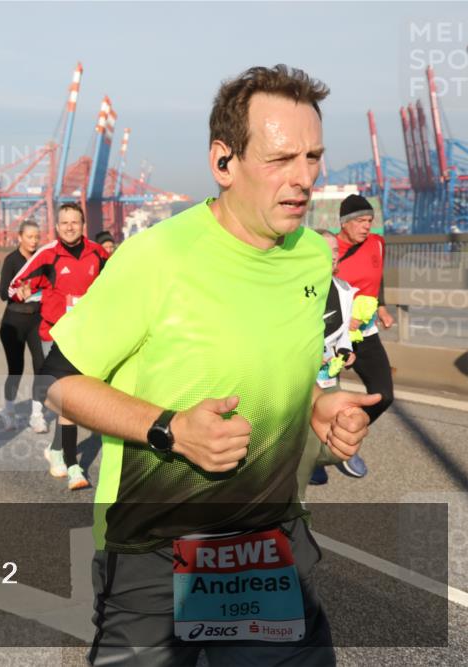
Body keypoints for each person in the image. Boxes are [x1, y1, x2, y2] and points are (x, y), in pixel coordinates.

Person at [41, 65, 379, 665]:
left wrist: (319, 405)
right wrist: (170, 427)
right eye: (280, 160)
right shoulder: (156, 258)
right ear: (224, 162)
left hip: (263, 548)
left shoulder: (310, 257)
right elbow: (58, 384)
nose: (303, 179)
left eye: (313, 157)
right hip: (153, 549)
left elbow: (283, 370)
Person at [9, 202, 109, 490]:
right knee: (68, 397)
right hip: (57, 336)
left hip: (87, 336)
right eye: (64, 222)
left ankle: (56, 450)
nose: (69, 227)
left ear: (82, 225)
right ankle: (73, 463)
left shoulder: (97, 253)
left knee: (77, 400)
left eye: (74, 222)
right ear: (57, 226)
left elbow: (116, 282)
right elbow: (14, 285)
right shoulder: (48, 255)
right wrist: (22, 292)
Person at [333, 194, 395, 479]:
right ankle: (315, 448)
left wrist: (381, 307)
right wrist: (343, 321)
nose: (366, 226)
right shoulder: (327, 249)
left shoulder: (378, 244)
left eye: (369, 220)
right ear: (344, 224)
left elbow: (377, 275)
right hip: (333, 336)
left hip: (366, 333)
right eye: (360, 221)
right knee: (320, 398)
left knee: (383, 395)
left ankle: (344, 439)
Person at [303, 229, 359, 490]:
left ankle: (326, 459)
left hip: (328, 372)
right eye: (327, 250)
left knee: (341, 415)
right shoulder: (299, 288)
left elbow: (343, 334)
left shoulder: (345, 289)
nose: (333, 255)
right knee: (303, 435)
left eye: (336, 250)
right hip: (301, 371)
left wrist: (345, 352)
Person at [0, 219, 47, 433]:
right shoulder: (12, 260)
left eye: (37, 237)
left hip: (36, 320)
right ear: (20, 237)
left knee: (41, 366)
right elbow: (1, 293)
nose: (34, 241)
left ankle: (37, 415)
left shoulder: (42, 260)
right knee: (16, 369)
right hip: (14, 322)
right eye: (29, 237)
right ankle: (9, 412)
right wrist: (19, 294)